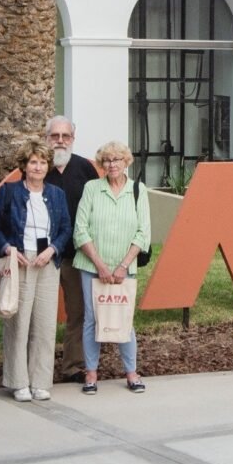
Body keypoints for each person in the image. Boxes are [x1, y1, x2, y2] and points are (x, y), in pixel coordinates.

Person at [0, 139, 72, 401]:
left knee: (45, 324)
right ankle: (18, 382)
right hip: (20, 260)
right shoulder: (10, 191)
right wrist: (8, 249)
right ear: (24, 165)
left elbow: (65, 229)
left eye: (42, 162)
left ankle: (40, 381)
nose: (38, 167)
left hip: (47, 261)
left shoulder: (56, 195)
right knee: (18, 322)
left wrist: (53, 249)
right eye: (33, 162)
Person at [74, 141, 151, 394]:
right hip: (91, 265)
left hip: (124, 270)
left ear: (126, 161)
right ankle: (91, 374)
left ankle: (131, 373)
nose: (111, 165)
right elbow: (80, 230)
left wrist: (122, 266)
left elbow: (144, 233)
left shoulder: (138, 190)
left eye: (117, 160)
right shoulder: (92, 188)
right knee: (91, 320)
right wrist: (101, 266)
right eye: (107, 160)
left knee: (124, 320)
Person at [43, 115, 101, 384]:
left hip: (76, 256)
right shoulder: (37, 166)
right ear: (47, 138)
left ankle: (71, 367)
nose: (60, 141)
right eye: (55, 136)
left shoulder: (85, 169)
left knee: (77, 313)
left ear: (73, 139)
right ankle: (37, 368)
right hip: (43, 256)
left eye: (65, 136)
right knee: (38, 314)